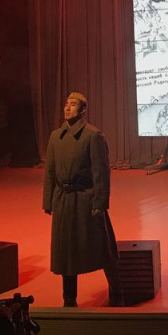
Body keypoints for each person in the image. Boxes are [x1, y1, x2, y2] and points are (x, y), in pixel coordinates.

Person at [43, 92, 123, 307]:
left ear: (83, 110)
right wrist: (48, 201)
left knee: (103, 248)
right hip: (63, 200)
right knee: (66, 251)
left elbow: (101, 173)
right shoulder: (56, 136)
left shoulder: (93, 136)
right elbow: (50, 171)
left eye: (73, 104)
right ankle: (69, 299)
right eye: (66, 104)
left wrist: (100, 202)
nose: (67, 108)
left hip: (86, 200)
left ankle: (117, 292)